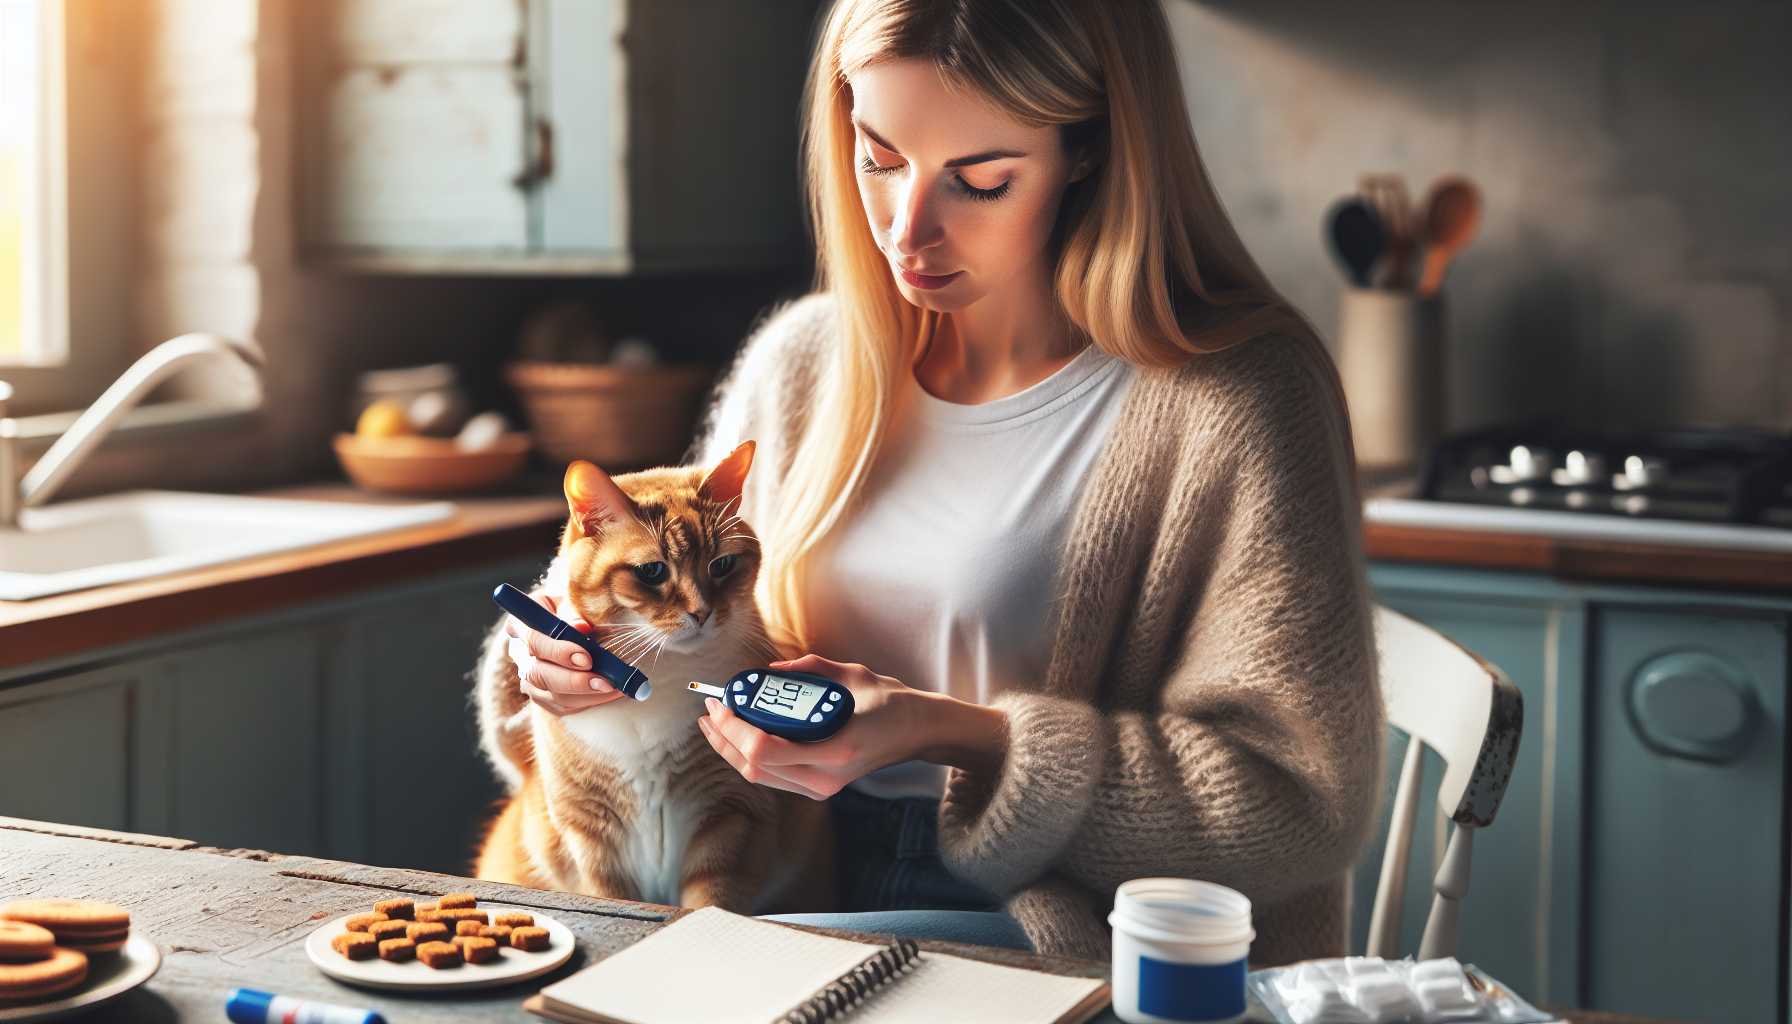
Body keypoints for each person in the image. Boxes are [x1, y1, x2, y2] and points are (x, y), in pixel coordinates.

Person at [502, 0, 1384, 966]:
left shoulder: (1240, 397)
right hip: (786, 863)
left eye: (981, 180)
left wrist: (957, 734)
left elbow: (1299, 806)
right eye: (879, 158)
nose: (906, 231)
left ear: (1089, 152)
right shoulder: (804, 361)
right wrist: (552, 659)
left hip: (1053, 921)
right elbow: (658, 589)